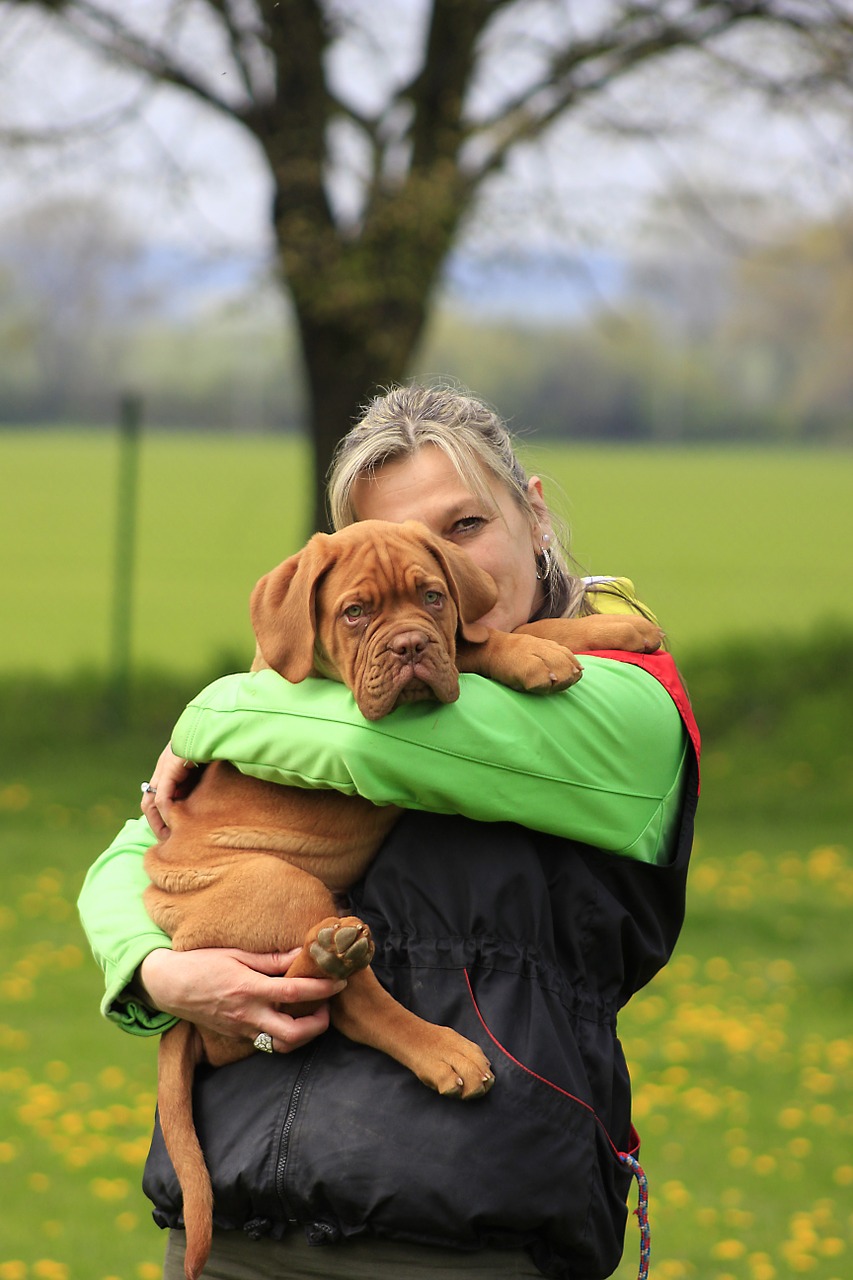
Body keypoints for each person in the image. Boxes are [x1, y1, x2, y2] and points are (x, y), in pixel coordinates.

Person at [78, 383, 700, 1280]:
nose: (441, 578)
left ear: (532, 515)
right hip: (247, 1202)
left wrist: (207, 714)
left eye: (462, 528)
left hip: (462, 1221)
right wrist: (157, 968)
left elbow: (391, 748)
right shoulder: (309, 699)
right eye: (367, 602)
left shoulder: (621, 699)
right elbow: (132, 857)